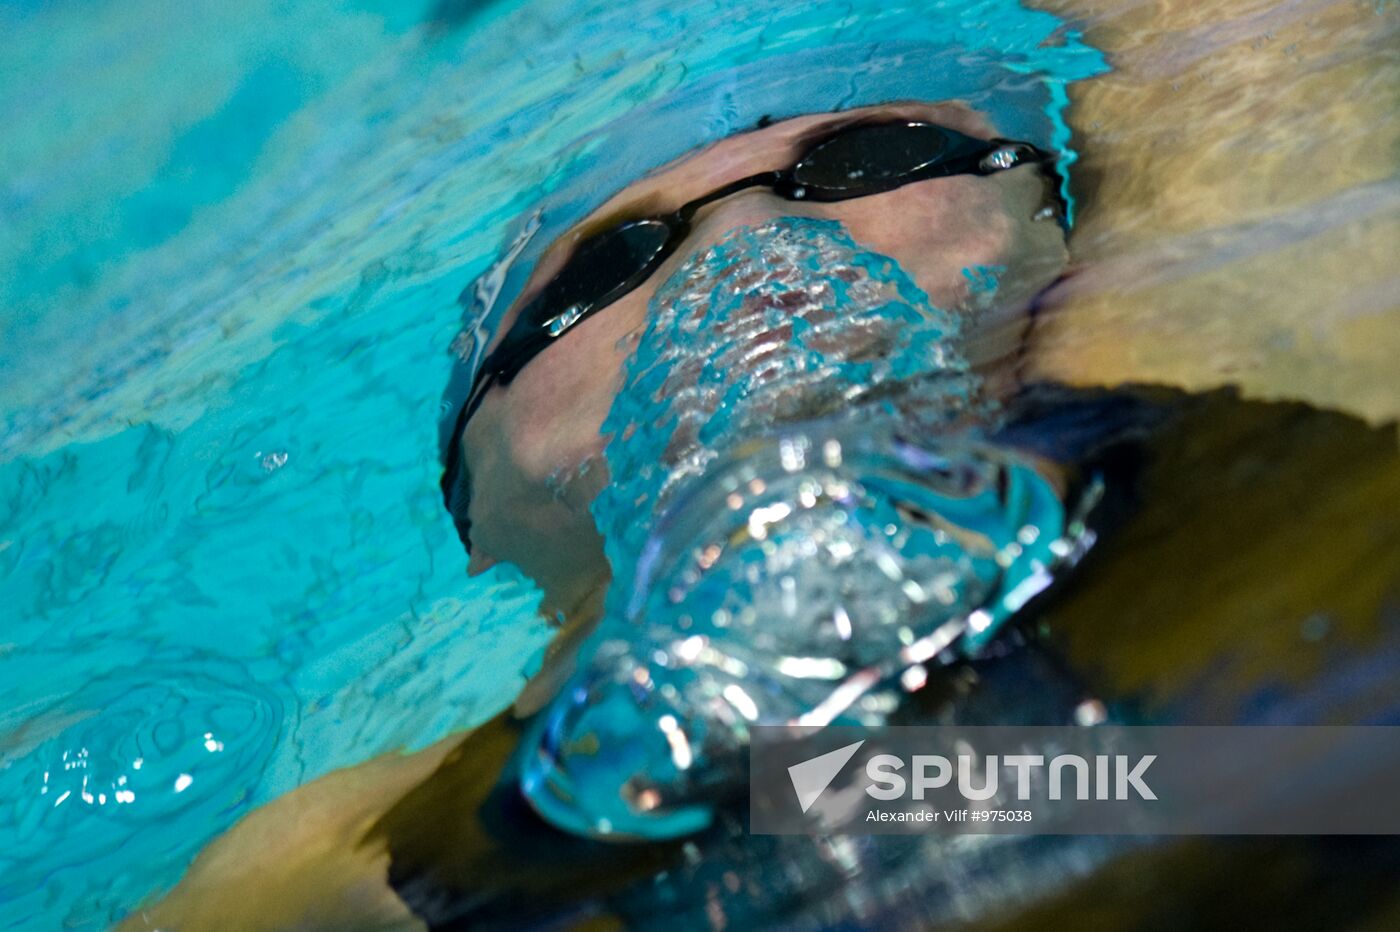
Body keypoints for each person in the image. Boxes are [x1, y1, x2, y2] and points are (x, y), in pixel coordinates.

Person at [122, 100, 1075, 930]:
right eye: (609, 264)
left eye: (867, 156)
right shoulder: (344, 869)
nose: (746, 230)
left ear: (1055, 226)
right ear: (482, 517)